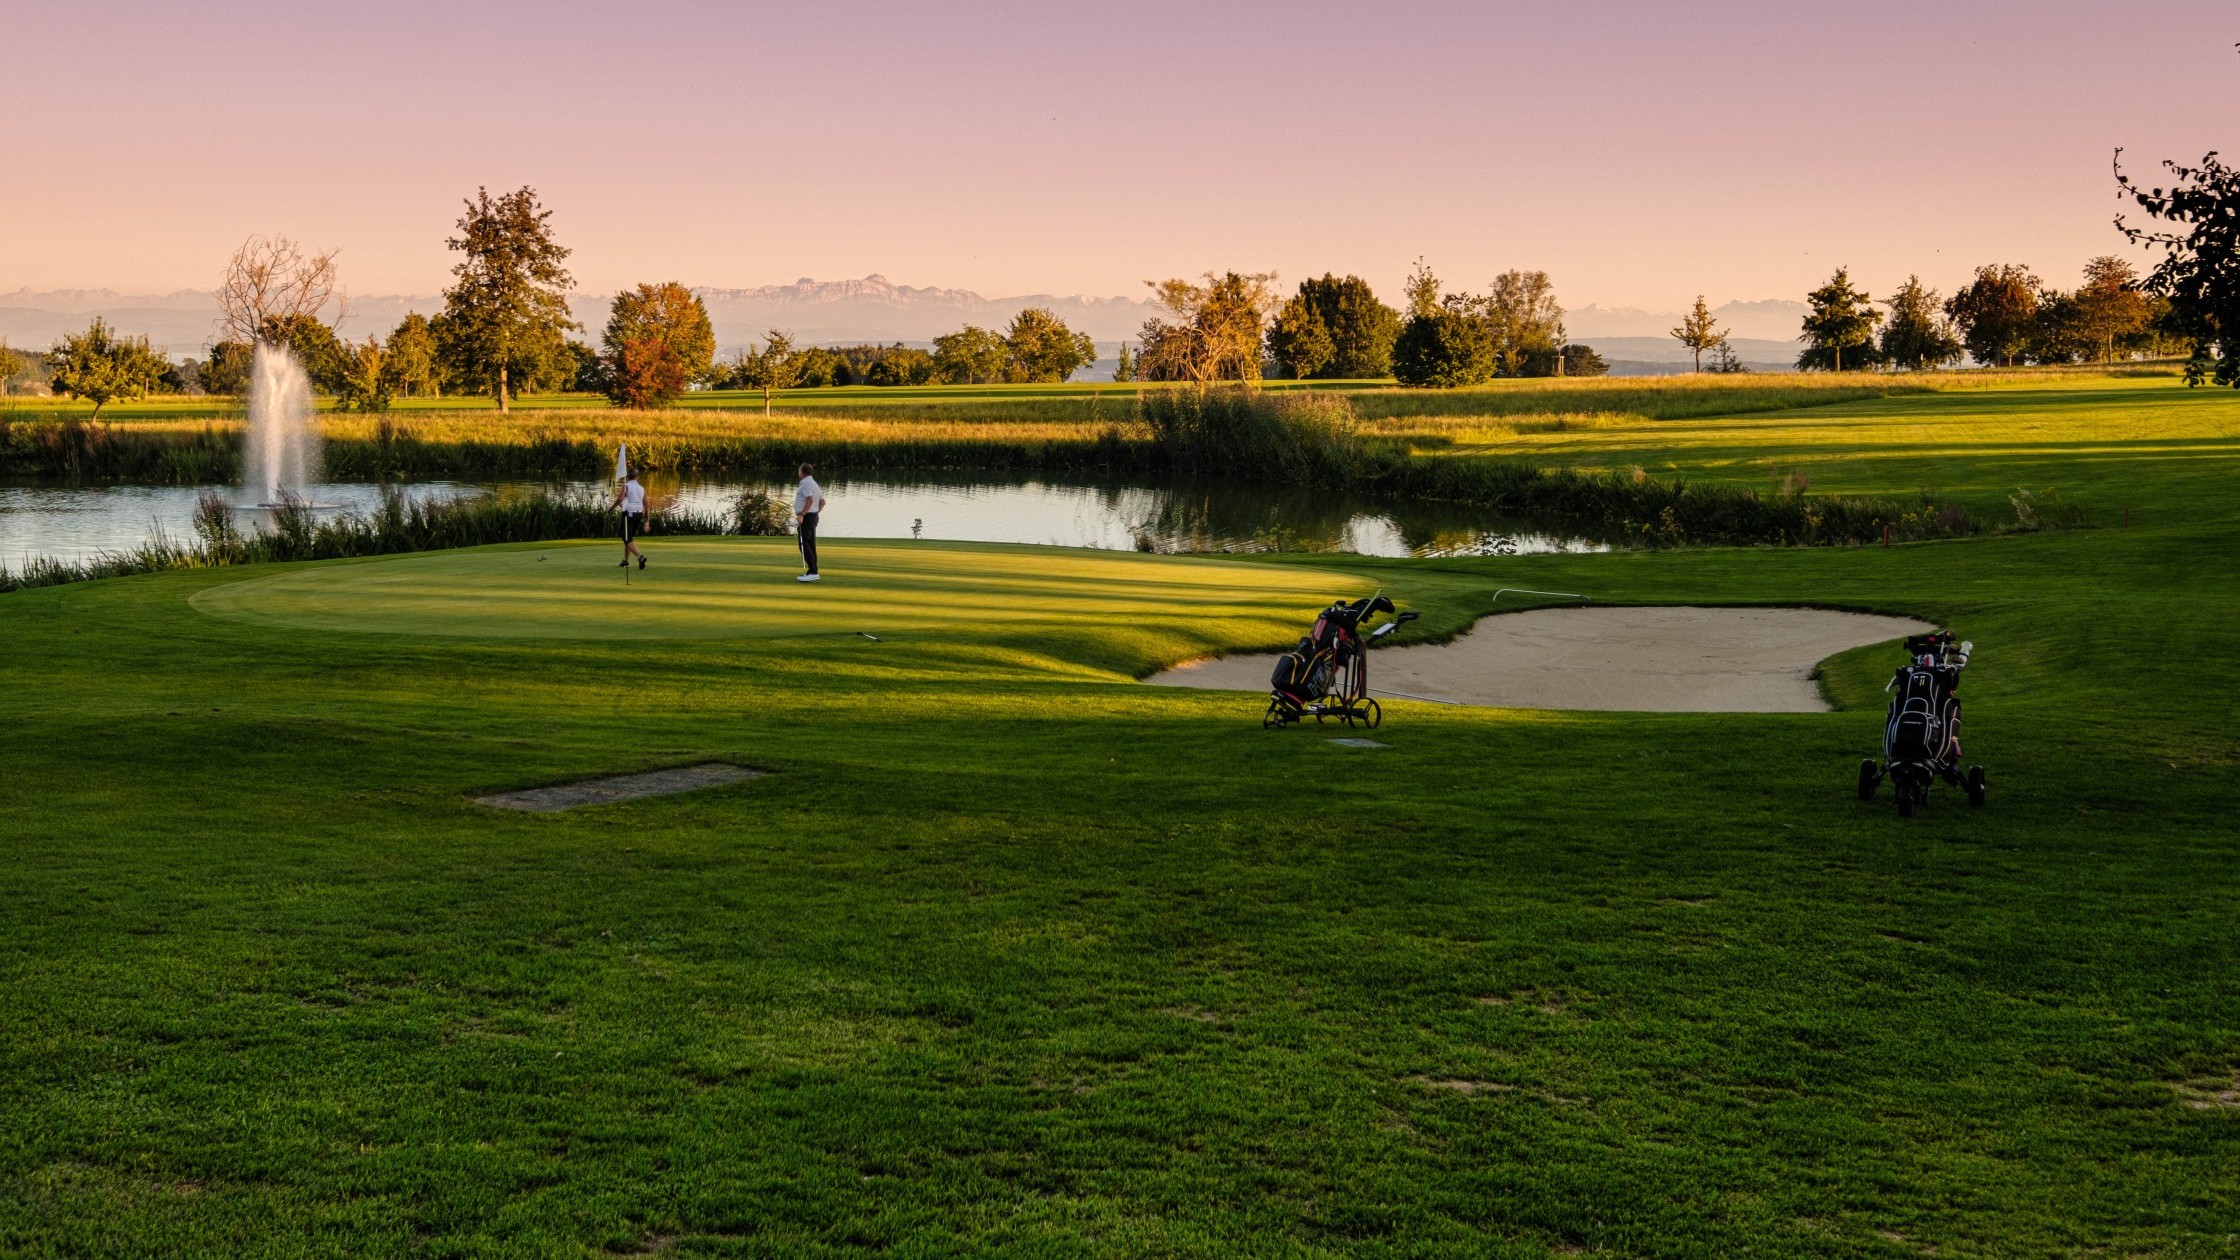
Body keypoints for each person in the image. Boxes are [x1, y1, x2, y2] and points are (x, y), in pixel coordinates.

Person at [610, 471, 649, 569]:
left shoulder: (626, 486)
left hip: (628, 514)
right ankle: (626, 561)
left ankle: (640, 557)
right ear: (637, 476)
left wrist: (611, 508)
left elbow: (620, 499)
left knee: (626, 538)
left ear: (627, 477)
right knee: (629, 537)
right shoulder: (641, 488)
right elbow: (647, 505)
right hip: (638, 514)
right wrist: (647, 521)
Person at [792, 464, 824, 582]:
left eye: (799, 470)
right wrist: (815, 512)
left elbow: (810, 499)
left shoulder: (806, 483)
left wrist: (802, 515)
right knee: (810, 545)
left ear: (802, 471)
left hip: (807, 517)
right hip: (812, 516)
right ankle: (813, 571)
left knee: (804, 545)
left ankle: (813, 572)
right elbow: (822, 502)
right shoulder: (814, 483)